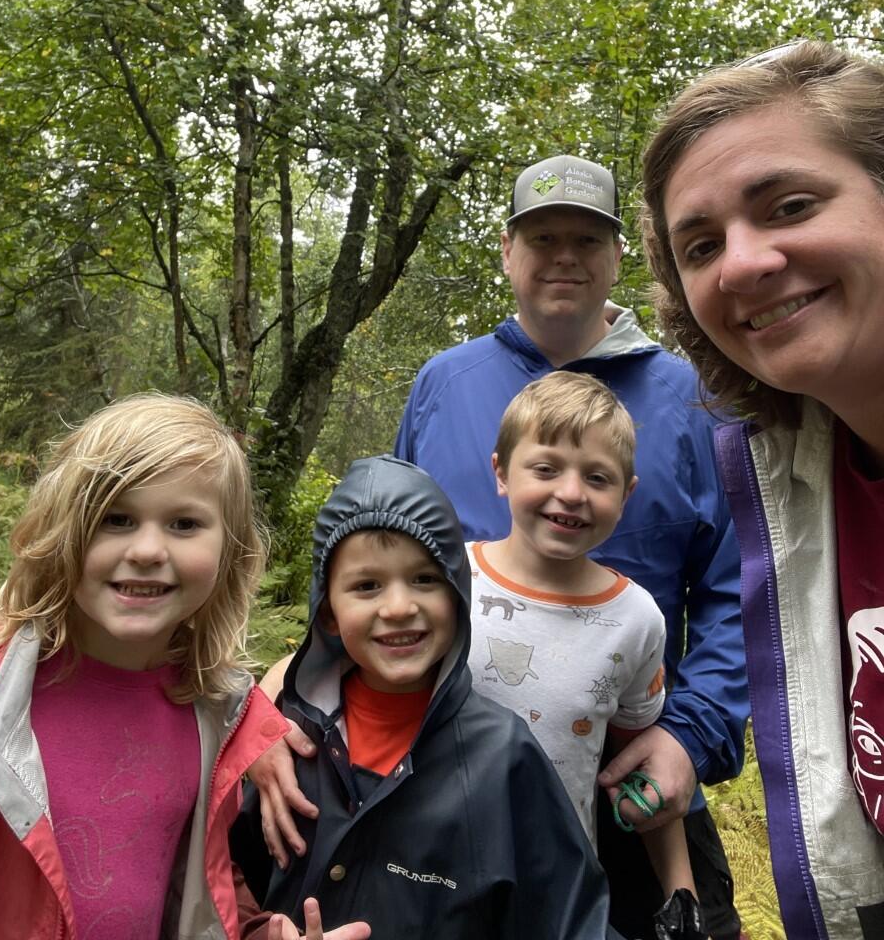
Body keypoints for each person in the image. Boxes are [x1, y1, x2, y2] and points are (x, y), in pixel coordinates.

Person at [394, 154, 747, 940]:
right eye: (542, 235)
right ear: (507, 250)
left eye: (587, 239)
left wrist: (690, 734)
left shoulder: (693, 400)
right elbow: (380, 562)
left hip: (634, 780)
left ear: (618, 256)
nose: (564, 256)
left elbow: (737, 588)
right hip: (446, 781)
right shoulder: (444, 384)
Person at [0, 393, 369, 940]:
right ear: (64, 531)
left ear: (230, 551)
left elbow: (201, 885)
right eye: (116, 519)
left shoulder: (211, 713)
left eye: (184, 523)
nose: (148, 549)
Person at [640, 39, 884, 940]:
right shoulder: (791, 480)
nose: (740, 264)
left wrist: (691, 729)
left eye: (790, 205)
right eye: (699, 245)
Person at [229, 454, 620, 939]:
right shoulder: (283, 740)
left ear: (458, 597)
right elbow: (213, 880)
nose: (399, 607)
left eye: (425, 579)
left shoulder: (503, 757)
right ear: (328, 612)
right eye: (367, 586)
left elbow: (572, 921)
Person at [469, 370, 703, 927]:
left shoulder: (637, 620)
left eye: (598, 478)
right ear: (501, 472)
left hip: (559, 895)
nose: (571, 493)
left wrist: (682, 894)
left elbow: (639, 764)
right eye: (546, 468)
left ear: (627, 494)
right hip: (429, 872)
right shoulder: (444, 579)